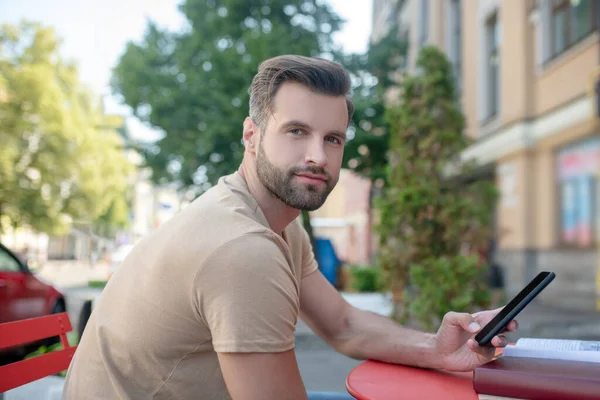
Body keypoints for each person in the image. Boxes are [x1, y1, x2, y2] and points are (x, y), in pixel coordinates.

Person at [62, 55, 517, 400]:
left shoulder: (272, 222)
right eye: (296, 131)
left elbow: (342, 324)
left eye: (332, 139)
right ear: (252, 135)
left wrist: (436, 348)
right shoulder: (243, 249)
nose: (318, 155)